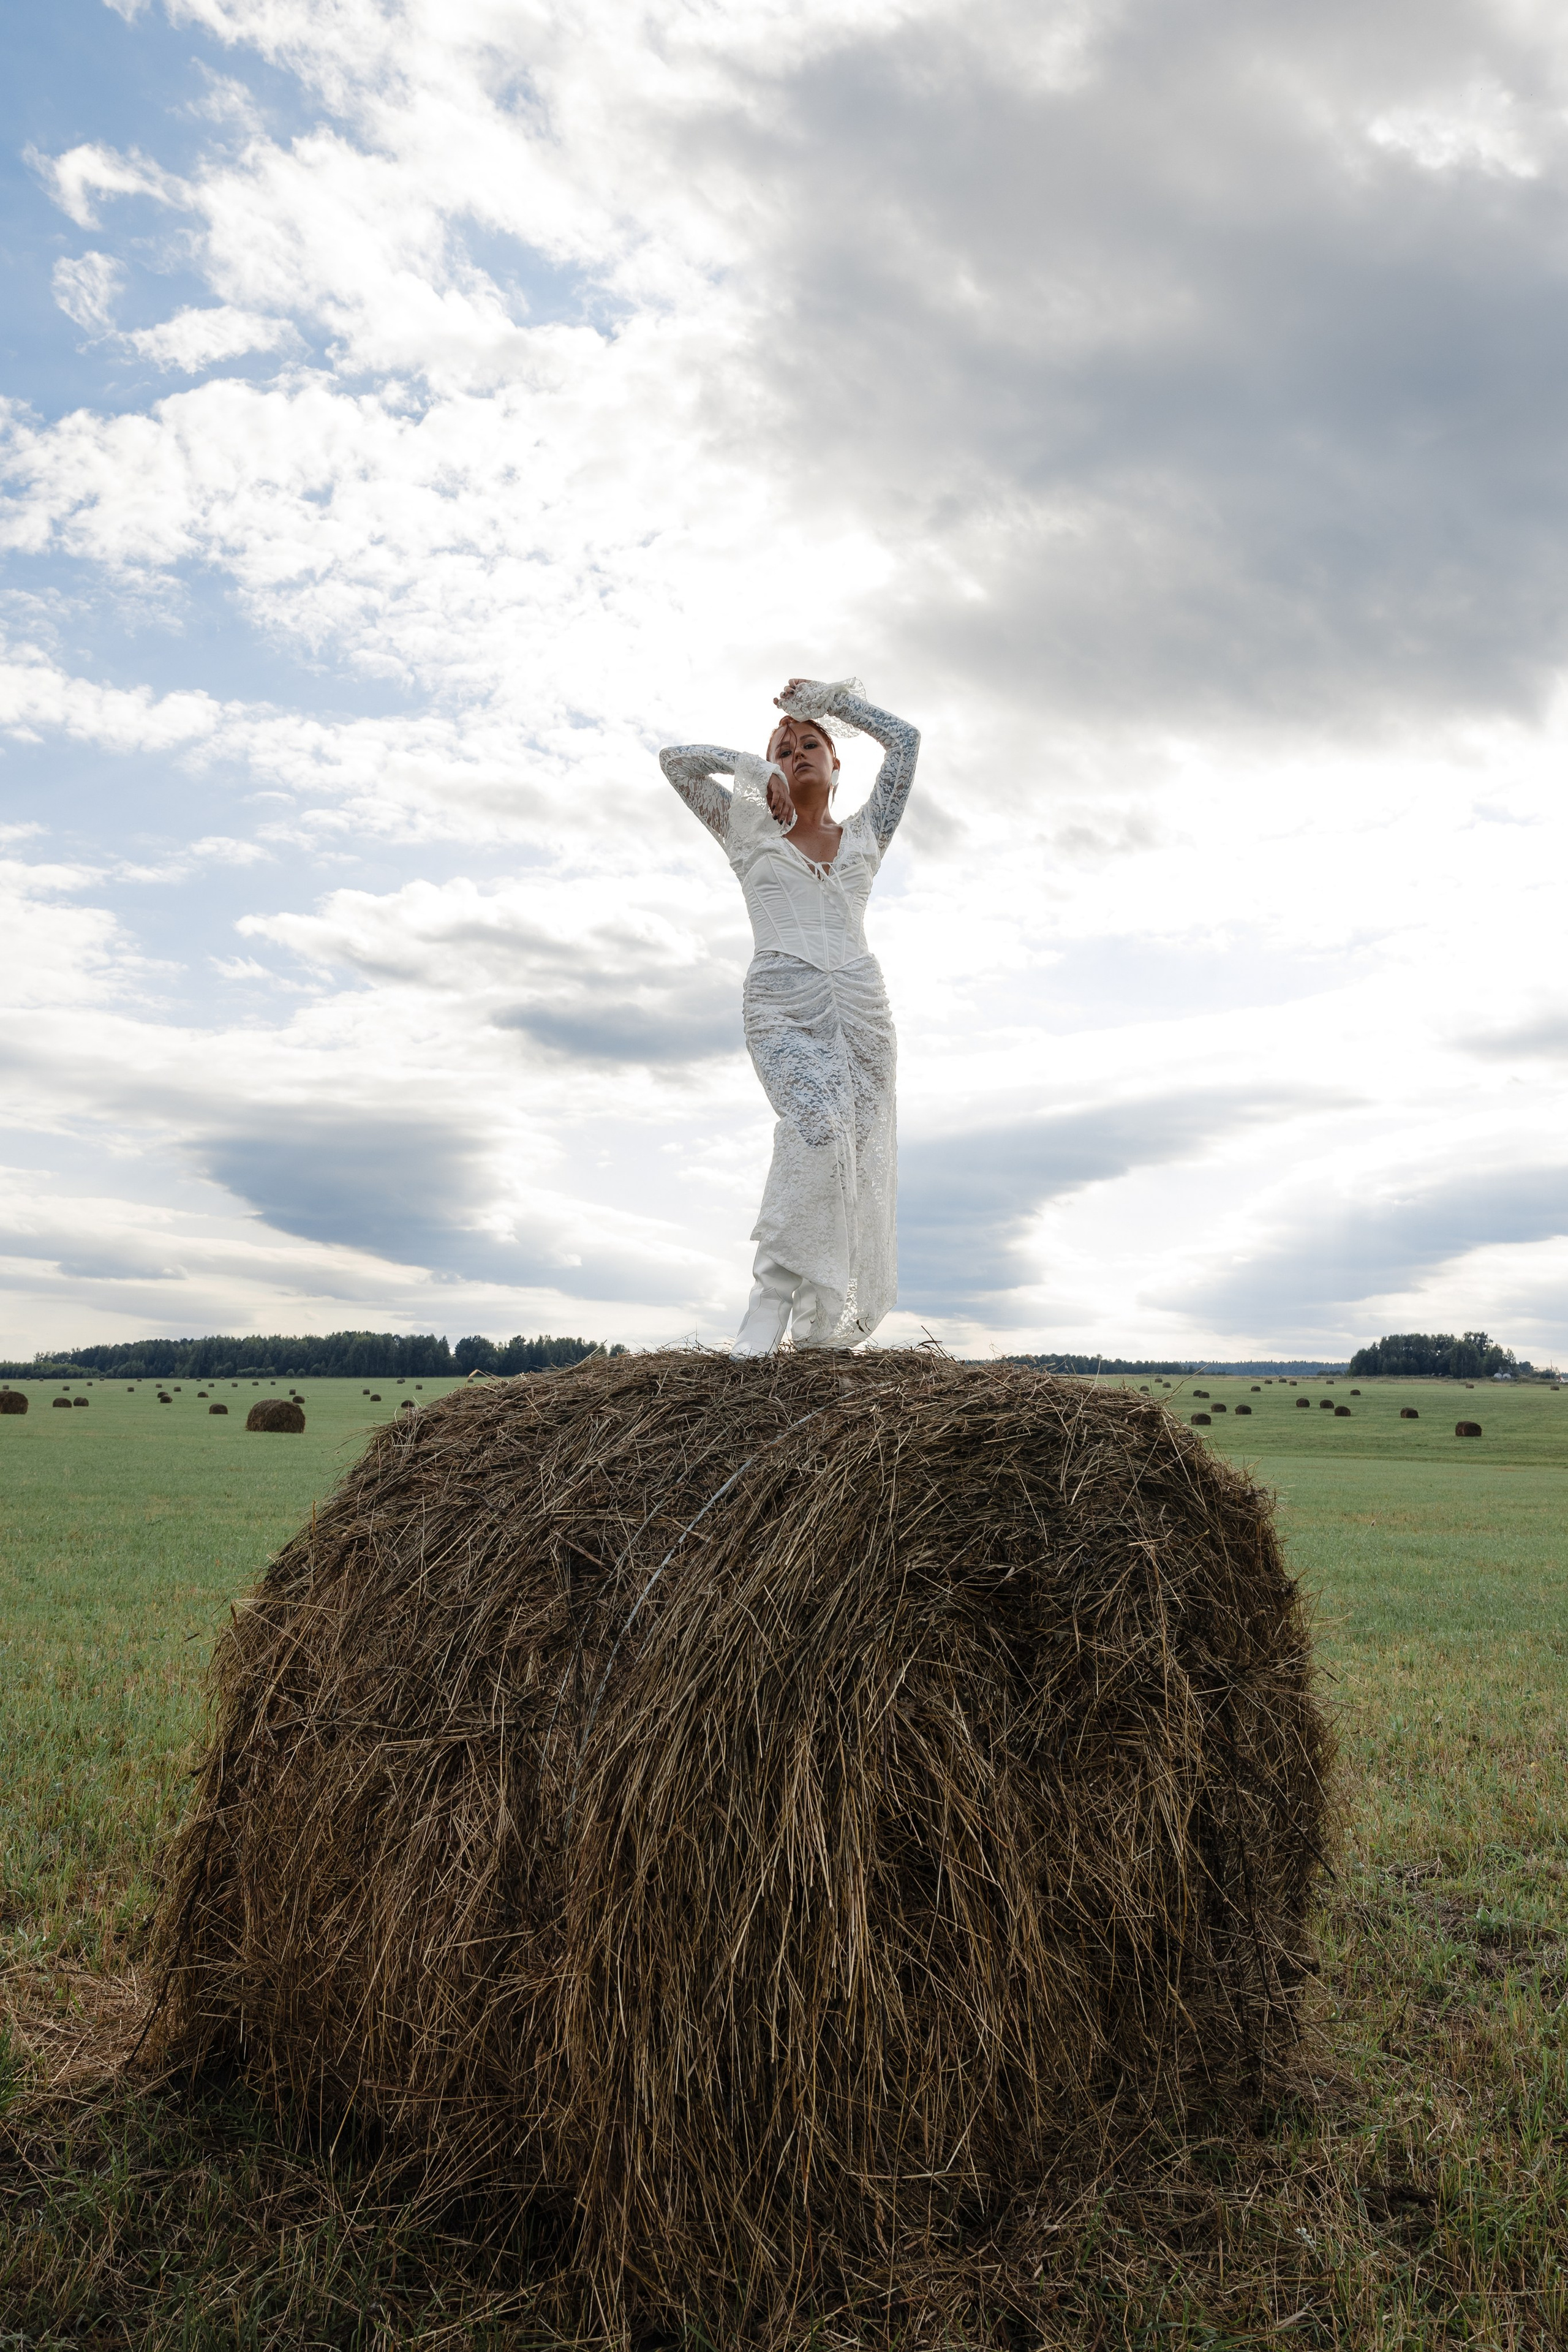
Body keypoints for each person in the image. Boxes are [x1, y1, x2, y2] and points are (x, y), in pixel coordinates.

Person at [660, 676, 920, 1354]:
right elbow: (676, 761)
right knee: (816, 1128)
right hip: (783, 1000)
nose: (798, 750)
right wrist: (751, 770)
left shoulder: (867, 832)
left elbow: (906, 741)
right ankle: (768, 1299)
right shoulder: (742, 826)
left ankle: (818, 1327)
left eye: (812, 745)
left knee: (854, 1158)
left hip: (863, 1011)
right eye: (785, 745)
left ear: (838, 767)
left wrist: (830, 702)